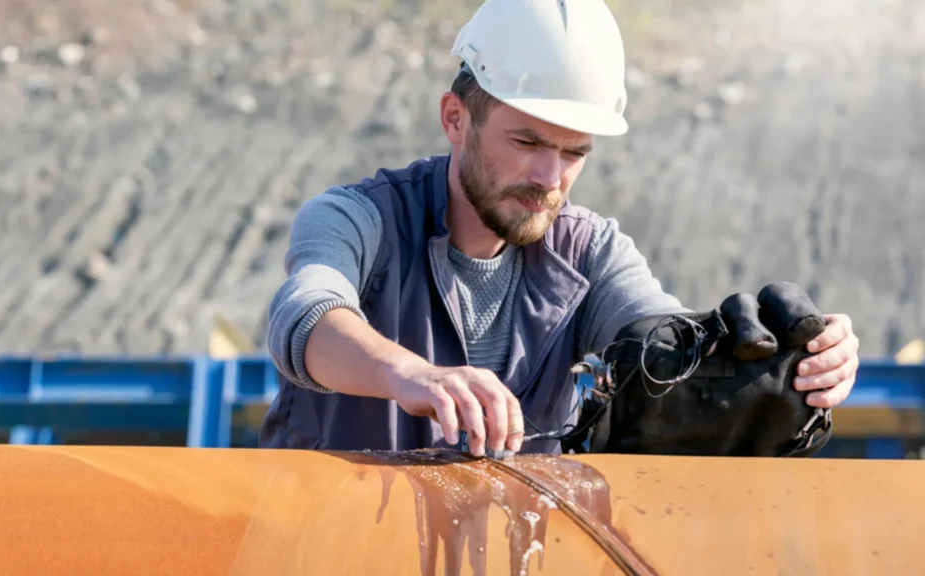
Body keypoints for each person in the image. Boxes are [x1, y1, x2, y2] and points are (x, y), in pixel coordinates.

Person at [258, 0, 860, 457]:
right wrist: (410, 373)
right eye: (527, 141)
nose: (550, 177)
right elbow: (307, 315)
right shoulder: (359, 218)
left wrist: (800, 367)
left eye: (575, 153)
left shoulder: (591, 253)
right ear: (455, 119)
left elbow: (654, 344)